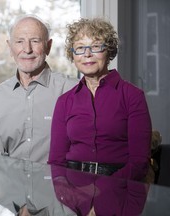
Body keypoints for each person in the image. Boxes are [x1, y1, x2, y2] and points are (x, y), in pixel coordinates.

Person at [48, 17, 152, 181]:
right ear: (73, 55)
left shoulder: (132, 96)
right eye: (80, 48)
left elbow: (139, 163)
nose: (87, 54)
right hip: (75, 195)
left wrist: (102, 191)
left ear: (108, 51)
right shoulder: (64, 102)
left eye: (95, 46)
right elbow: (56, 162)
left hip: (119, 191)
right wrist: (68, 196)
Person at [0, 14, 78, 163]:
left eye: (35, 41)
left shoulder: (72, 90)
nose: (27, 49)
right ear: (10, 48)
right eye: (19, 41)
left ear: (48, 46)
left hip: (57, 186)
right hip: (11, 185)